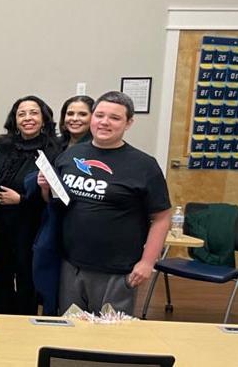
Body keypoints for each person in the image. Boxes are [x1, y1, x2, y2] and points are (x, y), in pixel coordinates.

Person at [40, 91, 171, 315]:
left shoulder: (144, 165)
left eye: (115, 118)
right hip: (72, 264)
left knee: (111, 337)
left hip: (117, 270)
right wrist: (45, 187)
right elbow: (55, 203)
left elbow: (162, 217)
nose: (104, 122)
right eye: (99, 115)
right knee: (70, 331)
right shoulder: (70, 156)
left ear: (129, 122)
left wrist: (147, 262)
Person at [0, 95, 61, 315]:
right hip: (1, 223)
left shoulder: (54, 149)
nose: (27, 118)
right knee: (0, 278)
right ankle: (0, 327)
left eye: (33, 113)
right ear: (15, 119)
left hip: (32, 225)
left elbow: (57, 193)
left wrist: (21, 199)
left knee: (26, 280)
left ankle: (24, 328)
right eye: (22, 114)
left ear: (43, 117)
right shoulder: (2, 145)